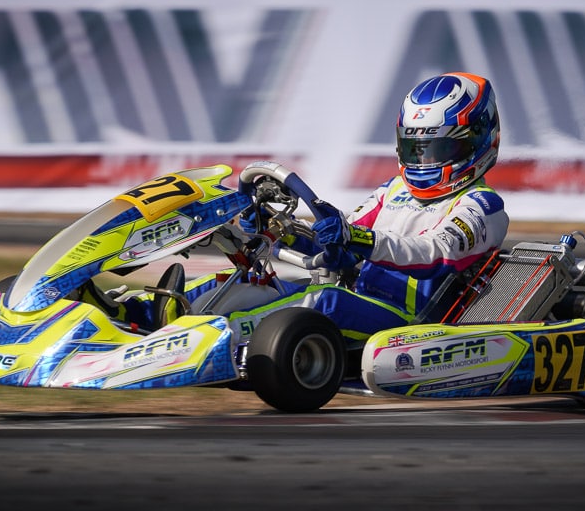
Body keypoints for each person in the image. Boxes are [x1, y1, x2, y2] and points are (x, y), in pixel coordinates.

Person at [210, 71, 510, 343]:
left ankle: (216, 342)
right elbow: (343, 242)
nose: (424, 162)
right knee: (252, 285)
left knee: (324, 301)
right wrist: (283, 232)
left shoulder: (482, 205)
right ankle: (173, 317)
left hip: (409, 324)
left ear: (477, 140)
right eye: (414, 149)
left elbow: (432, 254)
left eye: (438, 149)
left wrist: (358, 239)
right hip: (360, 300)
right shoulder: (393, 190)